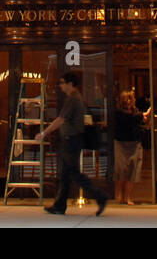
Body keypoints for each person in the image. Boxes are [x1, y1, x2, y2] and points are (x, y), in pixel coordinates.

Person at [36, 72, 107, 215]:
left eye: (62, 82)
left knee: (73, 173)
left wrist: (44, 133)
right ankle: (59, 205)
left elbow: (61, 119)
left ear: (70, 84)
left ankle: (100, 196)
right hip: (72, 140)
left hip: (71, 140)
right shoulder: (76, 98)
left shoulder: (73, 99)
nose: (60, 85)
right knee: (65, 174)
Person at [113, 89, 151, 205]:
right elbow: (133, 118)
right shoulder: (119, 112)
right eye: (133, 98)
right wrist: (145, 113)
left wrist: (144, 117)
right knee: (121, 170)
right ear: (127, 100)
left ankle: (128, 197)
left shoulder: (134, 111)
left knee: (132, 171)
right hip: (121, 143)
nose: (135, 100)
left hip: (135, 142)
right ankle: (120, 196)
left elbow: (140, 120)